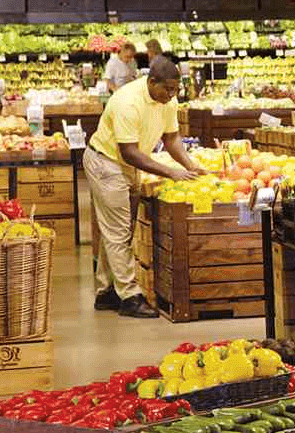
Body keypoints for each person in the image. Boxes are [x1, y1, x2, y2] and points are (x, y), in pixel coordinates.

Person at [85, 56, 205, 317]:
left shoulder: (168, 101)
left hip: (127, 165)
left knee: (119, 230)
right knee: (118, 231)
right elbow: (129, 152)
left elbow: (171, 137)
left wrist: (189, 165)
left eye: (176, 89)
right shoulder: (128, 102)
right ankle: (129, 296)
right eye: (168, 90)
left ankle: (106, 292)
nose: (172, 95)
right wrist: (170, 172)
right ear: (152, 82)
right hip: (107, 163)